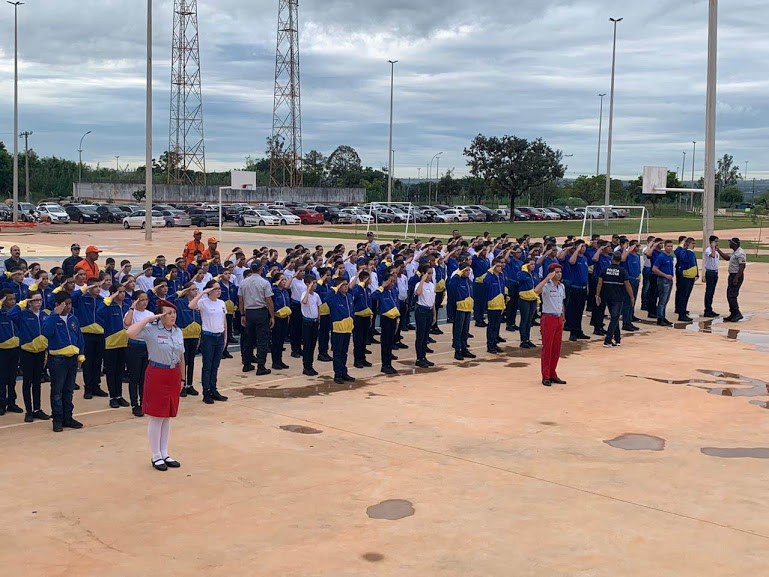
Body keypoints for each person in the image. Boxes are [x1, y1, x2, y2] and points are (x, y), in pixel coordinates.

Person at [126, 300, 184, 471]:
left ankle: (165, 453)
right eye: (168, 313)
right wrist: (149, 319)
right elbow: (130, 332)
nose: (172, 316)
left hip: (173, 374)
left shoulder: (178, 331)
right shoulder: (151, 330)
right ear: (160, 316)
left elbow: (182, 357)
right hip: (157, 372)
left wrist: (182, 379)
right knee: (156, 416)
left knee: (167, 415)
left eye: (173, 313)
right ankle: (156, 455)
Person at [42, 291, 85, 432]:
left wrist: (81, 355)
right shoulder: (51, 318)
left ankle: (68, 417)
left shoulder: (73, 319)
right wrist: (55, 314)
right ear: (57, 305)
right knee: (57, 391)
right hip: (58, 359)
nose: (68, 307)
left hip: (72, 358)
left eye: (69, 303)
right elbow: (46, 332)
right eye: (65, 304)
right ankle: (57, 419)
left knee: (69, 390)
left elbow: (79, 338)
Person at [8, 290, 50, 421]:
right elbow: (10, 314)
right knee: (27, 381)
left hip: (40, 352)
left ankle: (37, 408)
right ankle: (29, 410)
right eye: (35, 300)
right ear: (30, 302)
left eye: (40, 300)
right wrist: (22, 304)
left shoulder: (44, 315)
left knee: (37, 381)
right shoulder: (23, 315)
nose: (38, 303)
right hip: (27, 351)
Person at [188, 280, 228, 404]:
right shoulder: (203, 302)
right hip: (208, 337)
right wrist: (203, 293)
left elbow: (224, 320)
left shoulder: (221, 303)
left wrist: (225, 337)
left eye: (219, 288)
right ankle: (206, 391)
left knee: (215, 365)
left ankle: (214, 389)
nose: (218, 291)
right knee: (207, 365)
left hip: (219, 336)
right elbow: (191, 306)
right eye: (215, 289)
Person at [69, 277, 108, 399]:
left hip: (100, 334)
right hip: (86, 335)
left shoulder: (103, 300)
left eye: (98, 287)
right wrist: (84, 289)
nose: (97, 289)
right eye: (94, 287)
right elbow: (71, 297)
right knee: (87, 362)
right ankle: (88, 387)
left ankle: (96, 386)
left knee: (98, 362)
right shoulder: (81, 299)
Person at [238, 261, 274, 376]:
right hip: (261, 311)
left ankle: (246, 363)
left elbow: (241, 300)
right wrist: (272, 316)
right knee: (262, 340)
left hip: (249, 312)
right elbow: (269, 301)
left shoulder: (243, 282)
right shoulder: (264, 282)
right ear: (261, 269)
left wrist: (242, 314)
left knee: (249, 339)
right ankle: (261, 366)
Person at [533, 264, 566, 387]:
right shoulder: (546, 286)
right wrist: (547, 278)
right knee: (548, 348)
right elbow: (536, 290)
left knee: (556, 348)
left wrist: (563, 317)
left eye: (560, 272)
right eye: (557, 272)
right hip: (548, 318)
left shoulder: (562, 286)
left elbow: (561, 302)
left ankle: (553, 373)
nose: (559, 274)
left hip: (558, 318)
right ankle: (545, 375)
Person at [97, 283, 129, 409]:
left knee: (120, 370)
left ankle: (119, 395)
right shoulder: (109, 307)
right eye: (119, 292)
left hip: (124, 342)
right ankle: (112, 396)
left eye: (123, 292)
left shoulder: (126, 306)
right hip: (111, 342)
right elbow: (99, 311)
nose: (122, 294)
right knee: (111, 371)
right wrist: (110, 299)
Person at [124, 290, 154, 417]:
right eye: (141, 300)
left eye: (146, 299)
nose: (144, 302)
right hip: (134, 346)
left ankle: (143, 402)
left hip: (146, 346)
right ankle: (134, 404)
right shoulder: (131, 313)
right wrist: (132, 307)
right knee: (134, 377)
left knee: (144, 377)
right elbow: (127, 324)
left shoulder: (150, 314)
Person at [596, 252, 635, 348]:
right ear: (620, 259)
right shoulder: (622, 271)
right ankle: (608, 340)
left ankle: (617, 338)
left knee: (615, 317)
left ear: (612, 258)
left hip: (607, 296)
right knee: (615, 318)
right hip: (618, 297)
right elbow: (627, 284)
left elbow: (600, 283)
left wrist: (597, 295)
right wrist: (632, 297)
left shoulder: (605, 269)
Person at [171, 283, 201, 397]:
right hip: (183, 335)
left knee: (191, 361)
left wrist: (199, 336)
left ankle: (190, 384)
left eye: (195, 289)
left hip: (194, 336)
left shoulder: (197, 303)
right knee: (183, 361)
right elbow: (170, 298)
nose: (194, 292)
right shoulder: (180, 302)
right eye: (192, 289)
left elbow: (199, 319)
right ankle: (181, 384)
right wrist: (181, 292)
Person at [325, 277, 355, 384]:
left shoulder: (349, 297)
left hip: (347, 328)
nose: (346, 286)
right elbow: (326, 298)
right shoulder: (334, 297)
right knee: (337, 352)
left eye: (347, 284)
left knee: (344, 352)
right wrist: (335, 288)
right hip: (338, 328)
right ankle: (337, 374)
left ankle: (344, 372)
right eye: (343, 284)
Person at [372, 272, 400, 374]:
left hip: (394, 318)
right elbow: (373, 296)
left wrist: (398, 319)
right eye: (390, 281)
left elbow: (397, 304)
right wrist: (382, 286)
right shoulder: (382, 291)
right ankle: (385, 365)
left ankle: (389, 364)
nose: (392, 283)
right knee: (385, 343)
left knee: (390, 342)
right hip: (386, 319)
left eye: (393, 281)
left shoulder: (393, 292)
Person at [0, 289, 22, 415]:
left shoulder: (17, 313)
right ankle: (1, 404)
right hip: (2, 350)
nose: (13, 301)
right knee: (2, 378)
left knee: (12, 378)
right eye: (9, 299)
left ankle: (12, 402)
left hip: (15, 349)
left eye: (14, 299)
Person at [447, 263, 475, 360]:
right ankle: (457, 350)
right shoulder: (457, 280)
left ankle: (464, 348)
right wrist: (458, 274)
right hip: (460, 308)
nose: (468, 272)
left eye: (469, 270)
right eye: (466, 270)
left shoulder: (469, 282)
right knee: (458, 329)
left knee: (465, 330)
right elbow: (450, 285)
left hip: (468, 308)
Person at [413, 264, 437, 368]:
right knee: (420, 335)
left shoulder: (431, 285)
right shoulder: (419, 284)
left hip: (429, 311)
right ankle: (419, 358)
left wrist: (434, 314)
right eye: (428, 273)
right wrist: (422, 280)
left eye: (431, 273)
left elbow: (433, 301)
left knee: (426, 336)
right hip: (421, 310)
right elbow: (418, 293)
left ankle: (424, 357)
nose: (430, 275)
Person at [270, 273, 292, 371]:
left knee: (281, 340)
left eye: (284, 279)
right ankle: (275, 361)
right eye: (282, 280)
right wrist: (275, 284)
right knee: (276, 340)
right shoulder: (273, 291)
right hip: (277, 317)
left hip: (285, 317)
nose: (284, 281)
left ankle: (280, 360)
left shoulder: (285, 292)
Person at [484, 259, 506, 354]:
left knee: (497, 325)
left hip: (499, 304)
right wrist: (490, 271)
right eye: (498, 266)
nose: (500, 268)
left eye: (501, 266)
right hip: (492, 304)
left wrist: (503, 305)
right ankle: (490, 345)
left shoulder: (501, 277)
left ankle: (495, 343)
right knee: (491, 325)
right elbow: (486, 282)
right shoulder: (490, 277)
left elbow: (503, 291)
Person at [351, 271, 373, 368]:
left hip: (366, 316)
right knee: (358, 339)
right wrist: (361, 284)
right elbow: (354, 294)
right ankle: (357, 360)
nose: (369, 281)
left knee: (364, 339)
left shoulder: (368, 290)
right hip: (358, 317)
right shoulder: (357, 288)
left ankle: (363, 358)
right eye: (367, 279)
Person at [300, 276, 321, 377]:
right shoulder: (305, 294)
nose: (315, 285)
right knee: (307, 345)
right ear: (307, 284)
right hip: (307, 322)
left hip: (314, 322)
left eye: (316, 283)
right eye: (313, 283)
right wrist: (308, 290)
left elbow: (318, 307)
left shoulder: (316, 295)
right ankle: (306, 366)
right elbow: (304, 302)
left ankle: (310, 365)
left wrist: (318, 319)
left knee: (312, 345)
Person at [673, 237, 698, 322]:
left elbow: (694, 263)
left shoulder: (690, 252)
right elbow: (680, 255)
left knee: (686, 295)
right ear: (687, 244)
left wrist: (696, 274)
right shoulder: (685, 251)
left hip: (691, 276)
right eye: (692, 244)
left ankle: (683, 311)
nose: (694, 245)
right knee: (683, 295)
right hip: (686, 276)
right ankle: (681, 314)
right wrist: (682, 245)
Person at [723, 237, 747, 322]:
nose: (729, 244)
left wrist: (736, 278)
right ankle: (733, 313)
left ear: (735, 244)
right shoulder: (735, 252)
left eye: (731, 243)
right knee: (729, 294)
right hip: (732, 275)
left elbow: (742, 266)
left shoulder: (740, 253)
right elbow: (727, 258)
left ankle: (737, 313)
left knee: (732, 295)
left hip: (736, 275)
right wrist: (718, 250)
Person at [652, 240, 675, 326]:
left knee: (666, 300)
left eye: (671, 246)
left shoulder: (670, 257)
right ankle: (660, 318)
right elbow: (654, 268)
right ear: (665, 247)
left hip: (669, 280)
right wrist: (665, 275)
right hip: (663, 280)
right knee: (662, 300)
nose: (670, 248)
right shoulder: (661, 257)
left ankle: (663, 316)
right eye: (668, 246)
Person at [620, 240, 641, 332]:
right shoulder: (627, 256)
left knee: (633, 301)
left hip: (636, 280)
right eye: (636, 246)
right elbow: (622, 259)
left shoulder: (637, 257)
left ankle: (629, 320)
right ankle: (626, 322)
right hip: (629, 280)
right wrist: (628, 249)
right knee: (627, 302)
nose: (638, 248)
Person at [517, 258, 538, 349]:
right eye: (531, 264)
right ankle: (523, 340)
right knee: (524, 319)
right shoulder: (522, 273)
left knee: (529, 320)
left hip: (533, 298)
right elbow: (520, 279)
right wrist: (524, 270)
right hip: (524, 299)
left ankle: (527, 339)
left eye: (534, 264)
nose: (533, 266)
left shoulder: (534, 274)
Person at [217, 268, 238, 359]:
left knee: (228, 330)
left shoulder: (233, 286)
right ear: (221, 275)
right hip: (221, 311)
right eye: (226, 273)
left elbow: (235, 297)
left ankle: (225, 350)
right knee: (221, 330)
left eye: (229, 273)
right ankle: (220, 351)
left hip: (229, 310)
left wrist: (235, 306)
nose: (228, 275)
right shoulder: (219, 286)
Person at [702, 235, 721, 317]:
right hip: (709, 272)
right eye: (715, 241)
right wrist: (713, 247)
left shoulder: (716, 251)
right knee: (709, 291)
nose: (717, 243)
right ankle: (707, 310)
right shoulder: (708, 250)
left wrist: (717, 249)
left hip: (715, 272)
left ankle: (710, 308)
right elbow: (712, 256)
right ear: (711, 242)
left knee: (712, 291)